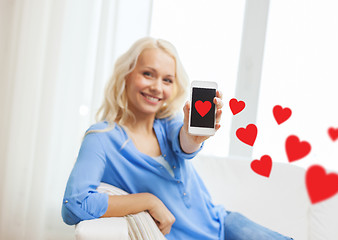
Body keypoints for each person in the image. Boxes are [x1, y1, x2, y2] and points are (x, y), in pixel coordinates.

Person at [62, 37, 293, 240]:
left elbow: (185, 144)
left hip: (224, 224)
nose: (156, 87)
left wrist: (195, 136)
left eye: (167, 80)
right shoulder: (102, 138)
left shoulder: (168, 124)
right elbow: (74, 204)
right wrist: (148, 201)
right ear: (127, 75)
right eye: (148, 74)